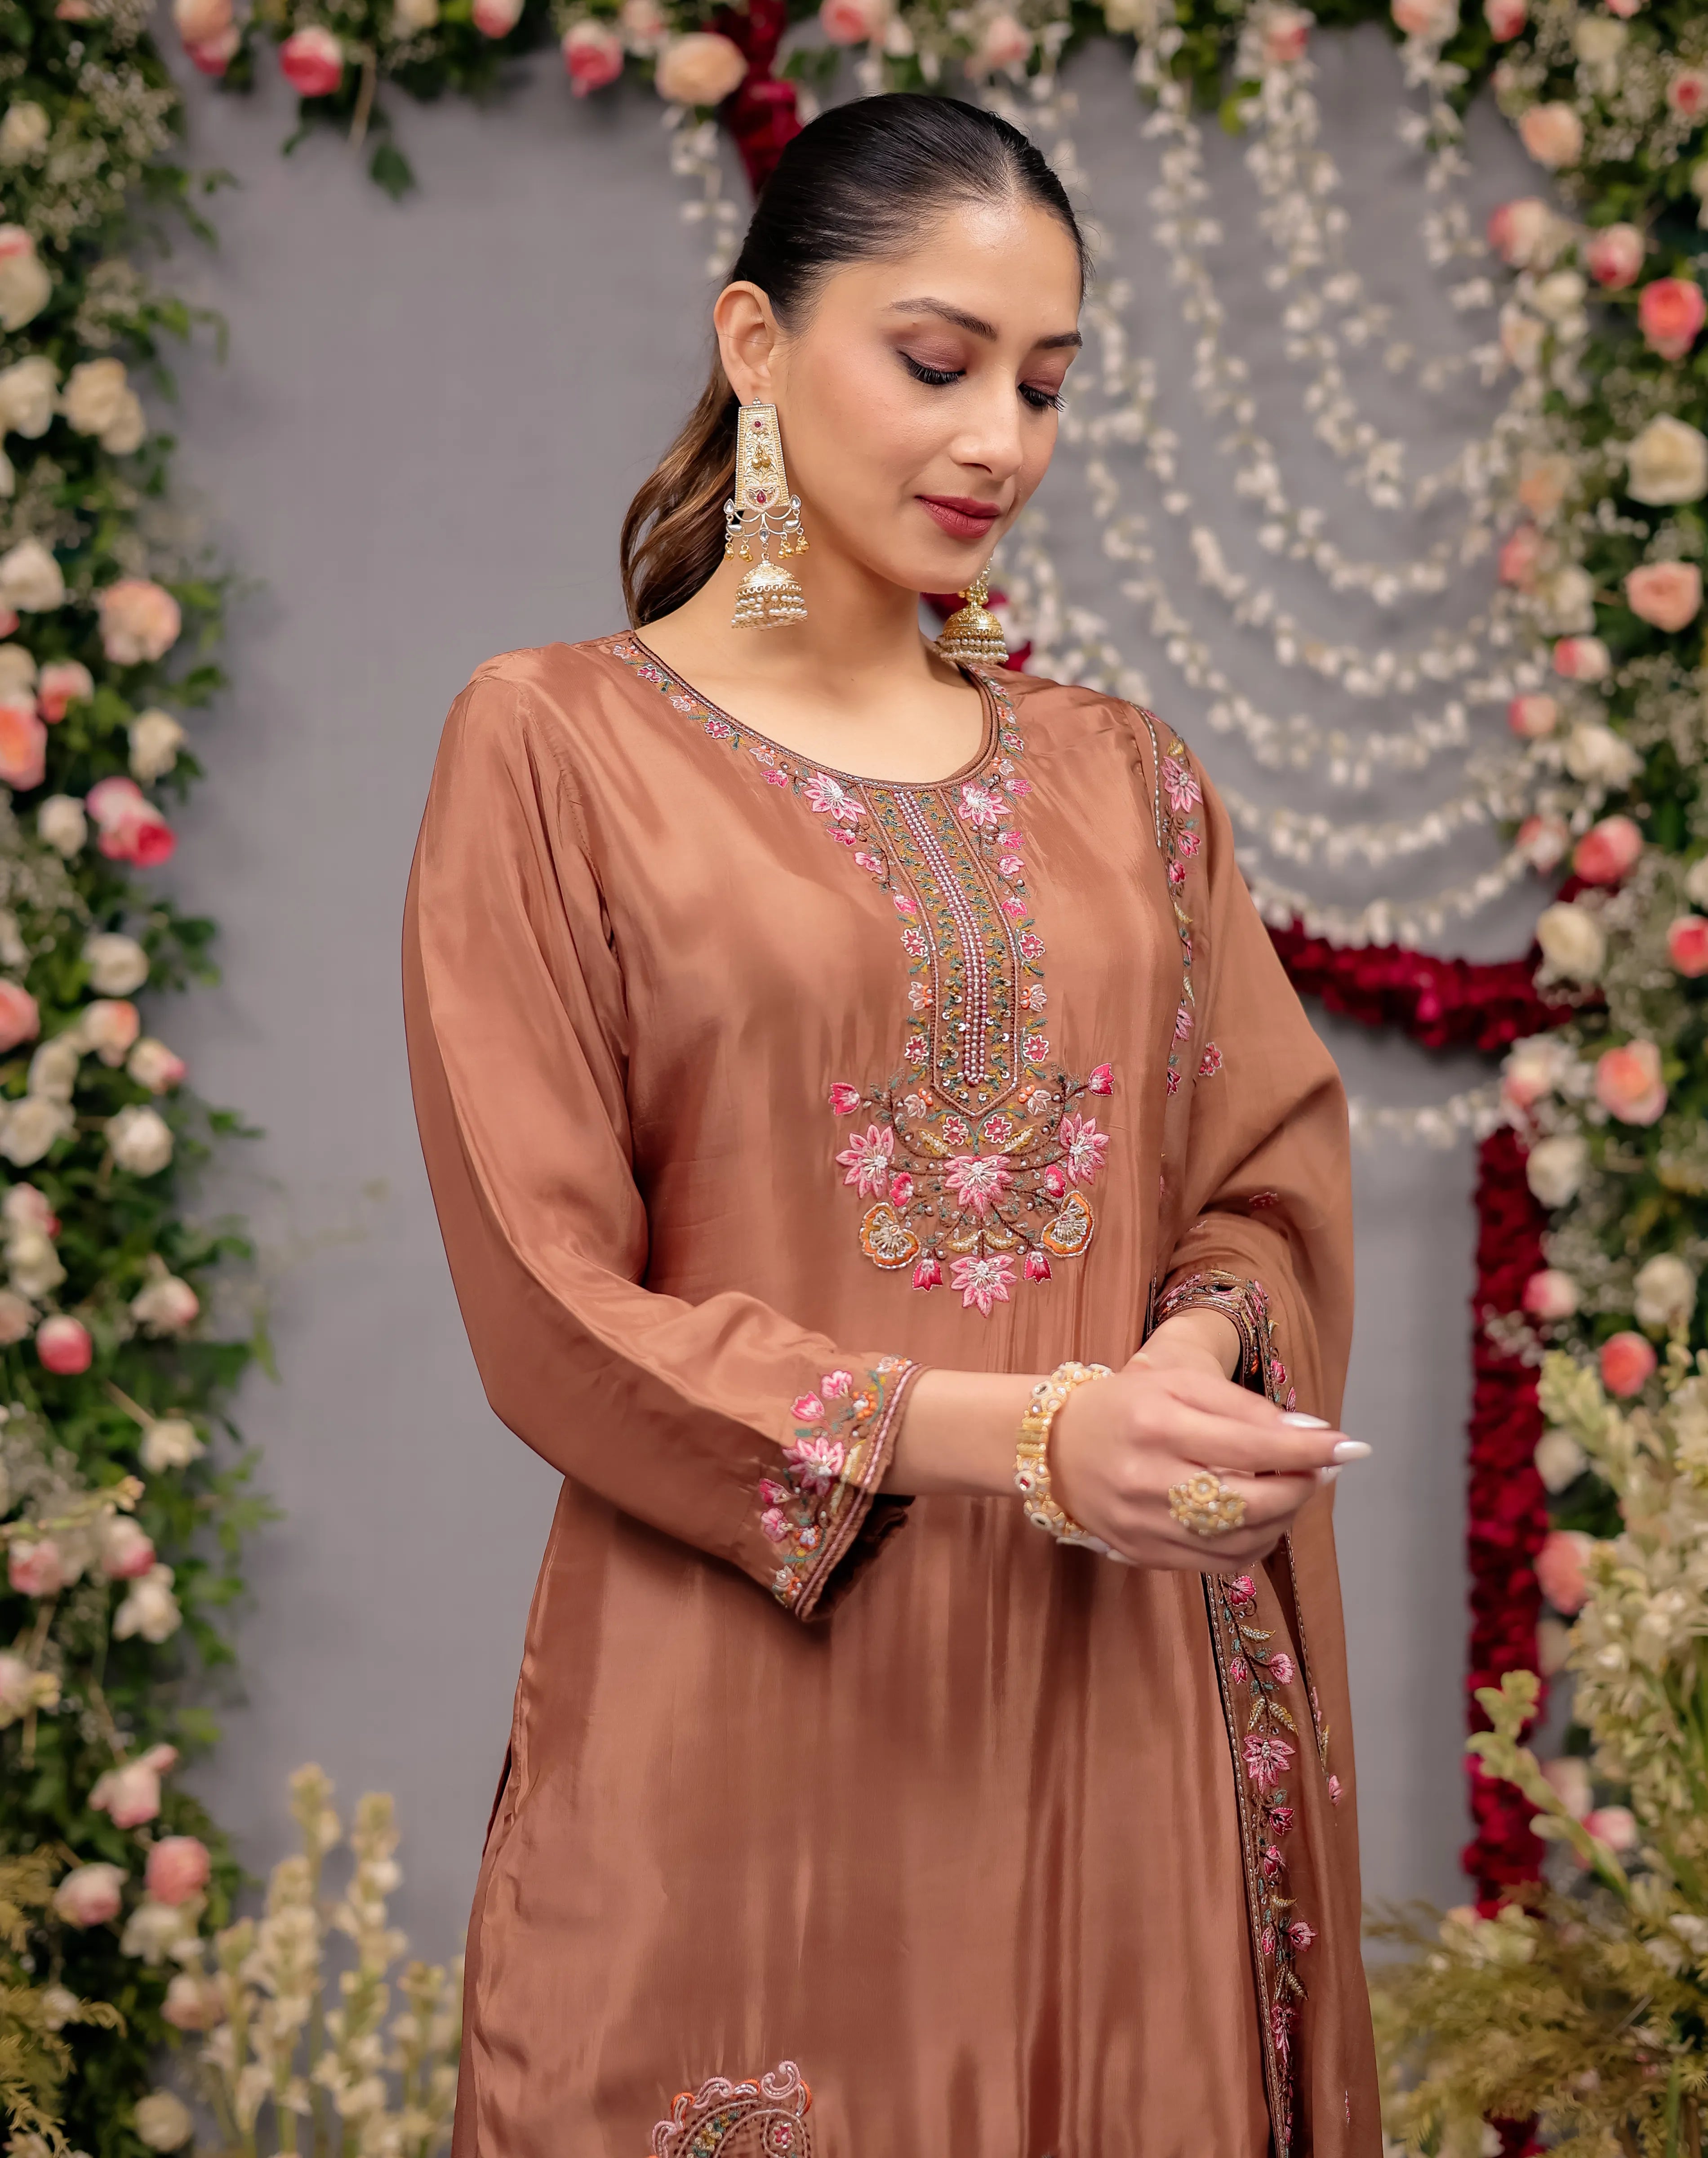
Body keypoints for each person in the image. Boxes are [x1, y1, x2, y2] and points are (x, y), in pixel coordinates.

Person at [403, 91, 1379, 2158]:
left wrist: (1191, 1359)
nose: (995, 441)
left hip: (1109, 1715)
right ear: (754, 345)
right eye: (934, 363)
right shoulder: (555, 752)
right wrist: (1023, 1437)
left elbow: (1257, 1179)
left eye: (1043, 385)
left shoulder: (1130, 786)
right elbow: (551, 1306)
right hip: (743, 1728)